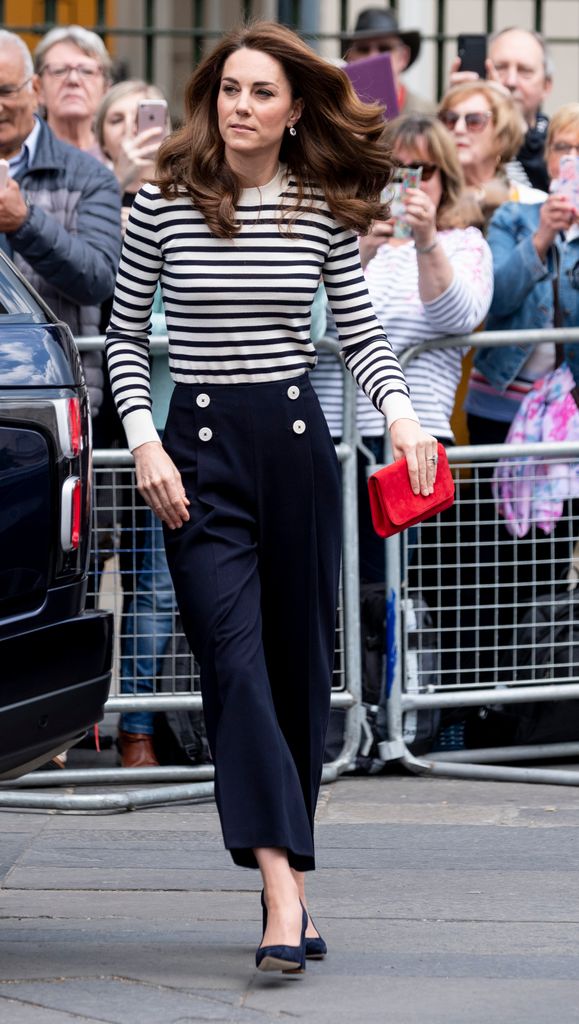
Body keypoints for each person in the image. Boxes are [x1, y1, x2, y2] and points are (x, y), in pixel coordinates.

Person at [105, 20, 435, 973]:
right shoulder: (164, 200)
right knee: (235, 669)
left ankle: (278, 876)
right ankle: (284, 892)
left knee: (296, 676)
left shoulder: (319, 208)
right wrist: (144, 444)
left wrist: (405, 420)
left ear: (295, 113)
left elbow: (362, 336)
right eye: (230, 89)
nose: (240, 107)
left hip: (294, 448)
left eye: (261, 93)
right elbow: (125, 342)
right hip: (195, 457)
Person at [313, 114, 493, 582]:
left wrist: (427, 241)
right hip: (333, 432)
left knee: (390, 586)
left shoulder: (464, 243)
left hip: (412, 440)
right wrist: (360, 249)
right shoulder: (345, 237)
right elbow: (313, 323)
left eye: (424, 171)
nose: (409, 183)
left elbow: (458, 317)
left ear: (445, 178)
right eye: (396, 171)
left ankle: (386, 660)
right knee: (322, 578)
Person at [96, 79, 173, 768]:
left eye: (144, 119)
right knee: (102, 574)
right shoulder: (103, 198)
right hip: (112, 420)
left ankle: (149, 723)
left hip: (176, 419)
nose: (133, 131)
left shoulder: (185, 203)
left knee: (162, 584)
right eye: (116, 120)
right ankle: (95, 723)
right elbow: (113, 315)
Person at [0, 29, 121, 420]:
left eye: (5, 90)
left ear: (34, 87)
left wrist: (25, 223)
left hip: (50, 387)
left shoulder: (89, 176)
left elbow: (99, 278)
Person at [465, 102, 579, 444]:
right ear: (548, 158)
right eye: (562, 147)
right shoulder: (512, 217)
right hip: (501, 402)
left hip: (570, 409)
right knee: (490, 498)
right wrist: (542, 236)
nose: (572, 158)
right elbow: (496, 298)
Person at [450, 27, 553, 192]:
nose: (511, 81)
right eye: (500, 68)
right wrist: (453, 111)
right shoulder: (457, 129)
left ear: (547, 86)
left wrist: (517, 129)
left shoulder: (560, 143)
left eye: (524, 71)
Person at [438, 80, 545, 222]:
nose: (458, 129)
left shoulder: (534, 204)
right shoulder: (428, 198)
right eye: (450, 119)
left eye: (474, 121)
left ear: (501, 136)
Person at [33, 25, 112, 161]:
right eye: (59, 70)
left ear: (105, 89)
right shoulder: (22, 155)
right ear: (38, 89)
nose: (73, 80)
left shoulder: (117, 155)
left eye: (87, 71)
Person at [343, 7, 435, 115]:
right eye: (363, 49)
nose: (373, 56)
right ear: (350, 56)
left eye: (384, 48)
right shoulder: (337, 112)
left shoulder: (427, 114)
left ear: (403, 57)